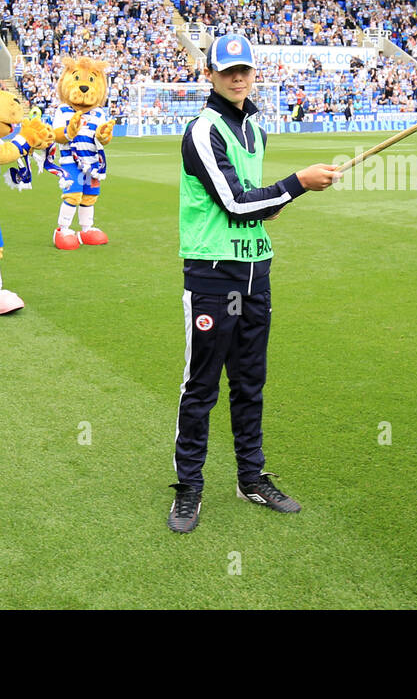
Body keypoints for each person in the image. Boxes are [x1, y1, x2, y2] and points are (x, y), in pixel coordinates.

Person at [168, 34, 340, 534]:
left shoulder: (256, 130)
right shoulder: (203, 130)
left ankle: (250, 477)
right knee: (200, 388)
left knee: (249, 383)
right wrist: (297, 184)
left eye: (244, 69)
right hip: (212, 274)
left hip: (255, 270)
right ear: (211, 75)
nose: (237, 78)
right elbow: (238, 202)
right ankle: (189, 489)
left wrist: (285, 196)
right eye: (227, 71)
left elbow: (258, 208)